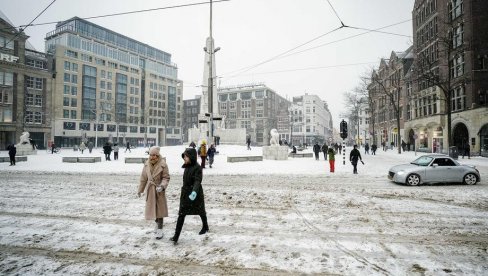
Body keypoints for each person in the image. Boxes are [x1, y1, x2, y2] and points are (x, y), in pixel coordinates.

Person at [170, 148, 208, 245]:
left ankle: (205, 226)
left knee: (201, 211)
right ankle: (176, 236)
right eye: (184, 156)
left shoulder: (198, 168)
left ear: (191, 157)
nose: (184, 158)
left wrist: (194, 191)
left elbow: (197, 180)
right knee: (181, 214)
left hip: (196, 193)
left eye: (186, 156)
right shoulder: (187, 166)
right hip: (185, 194)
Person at [138, 146, 170, 240]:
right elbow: (143, 178)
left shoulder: (163, 164)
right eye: (151, 155)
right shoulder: (147, 164)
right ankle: (157, 224)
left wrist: (162, 186)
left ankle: (160, 229)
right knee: (154, 210)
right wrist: (140, 190)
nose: (152, 157)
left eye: (154, 155)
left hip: (159, 190)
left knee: (160, 211)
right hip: (151, 190)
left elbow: (166, 177)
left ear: (158, 155)